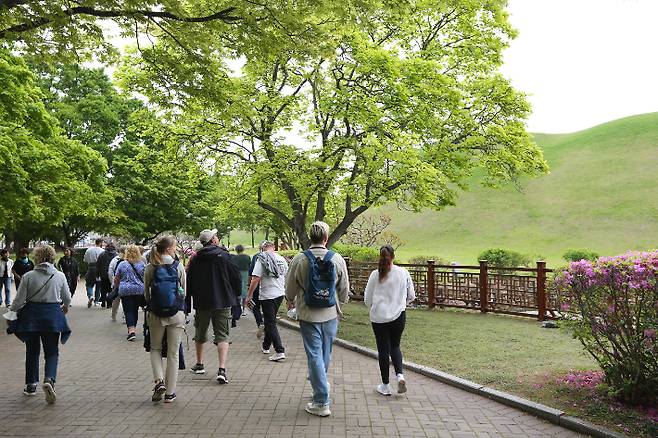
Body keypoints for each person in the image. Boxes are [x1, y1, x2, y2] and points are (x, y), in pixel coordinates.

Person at [285, 221, 350, 417]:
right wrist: (340, 302)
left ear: (311, 237)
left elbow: (289, 290)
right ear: (326, 237)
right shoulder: (337, 258)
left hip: (307, 313)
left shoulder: (299, 259)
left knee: (314, 354)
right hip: (330, 313)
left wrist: (290, 301)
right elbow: (344, 291)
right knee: (325, 353)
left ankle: (321, 400)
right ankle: (319, 385)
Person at [9, 245, 71, 404]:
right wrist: (64, 307)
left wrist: (11, 313)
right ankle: (49, 379)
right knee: (52, 352)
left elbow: (19, 300)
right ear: (52, 257)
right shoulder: (60, 275)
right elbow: (67, 298)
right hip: (52, 316)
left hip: (31, 316)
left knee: (32, 351)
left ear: (36, 257)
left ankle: (31, 385)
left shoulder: (28, 276)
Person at [186, 229, 241, 383]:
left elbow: (189, 280)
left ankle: (199, 364)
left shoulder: (195, 258)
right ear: (213, 240)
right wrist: (235, 294)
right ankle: (222, 369)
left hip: (202, 302)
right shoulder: (224, 256)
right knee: (222, 335)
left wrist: (190, 298)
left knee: (200, 332)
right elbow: (235, 277)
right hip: (223, 300)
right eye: (216, 236)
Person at [363, 245, 415, 396]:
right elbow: (411, 296)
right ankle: (400, 375)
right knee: (395, 346)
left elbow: (367, 300)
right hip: (399, 315)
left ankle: (385, 385)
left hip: (379, 318)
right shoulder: (403, 273)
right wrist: (400, 303)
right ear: (394, 256)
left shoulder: (374, 275)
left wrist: (376, 305)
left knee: (383, 350)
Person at [144, 236, 186, 403]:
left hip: (155, 314)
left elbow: (146, 293)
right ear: (168, 249)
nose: (175, 249)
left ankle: (159, 380)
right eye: (174, 246)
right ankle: (170, 393)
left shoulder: (150, 267)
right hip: (176, 314)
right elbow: (183, 292)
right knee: (173, 353)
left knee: (155, 348)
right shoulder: (178, 266)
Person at [246, 241, 288, 362]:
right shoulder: (281, 258)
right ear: (273, 247)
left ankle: (279, 351)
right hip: (279, 293)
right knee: (271, 321)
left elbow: (255, 279)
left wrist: (249, 296)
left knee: (270, 323)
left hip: (268, 294)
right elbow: (286, 275)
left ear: (262, 248)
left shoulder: (262, 258)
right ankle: (266, 346)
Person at [113, 245, 145, 341]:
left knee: (128, 310)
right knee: (134, 310)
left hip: (125, 291)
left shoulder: (122, 264)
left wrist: (116, 287)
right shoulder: (142, 264)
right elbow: (146, 277)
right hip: (139, 290)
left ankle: (131, 330)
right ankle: (133, 328)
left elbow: (117, 278)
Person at [83, 238, 104, 308]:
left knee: (89, 284)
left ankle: (90, 296)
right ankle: (96, 301)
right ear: (100, 243)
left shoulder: (89, 250)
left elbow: (85, 260)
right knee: (99, 285)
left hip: (90, 267)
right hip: (99, 268)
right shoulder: (102, 251)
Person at [96, 242, 117, 308]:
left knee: (103, 288)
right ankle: (109, 303)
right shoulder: (116, 255)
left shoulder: (102, 254)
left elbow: (98, 265)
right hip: (112, 274)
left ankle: (103, 302)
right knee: (110, 289)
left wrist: (97, 274)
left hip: (103, 274)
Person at [107, 246, 125, 322]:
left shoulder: (114, 260)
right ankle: (125, 316)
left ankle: (113, 315)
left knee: (116, 300)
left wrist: (112, 282)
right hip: (124, 284)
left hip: (116, 283)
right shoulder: (127, 260)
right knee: (125, 301)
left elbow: (110, 271)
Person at [233, 245, 251, 316]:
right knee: (244, 290)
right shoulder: (247, 257)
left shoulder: (234, 258)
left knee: (237, 290)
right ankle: (244, 309)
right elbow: (250, 266)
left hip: (237, 274)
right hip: (245, 274)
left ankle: (237, 309)